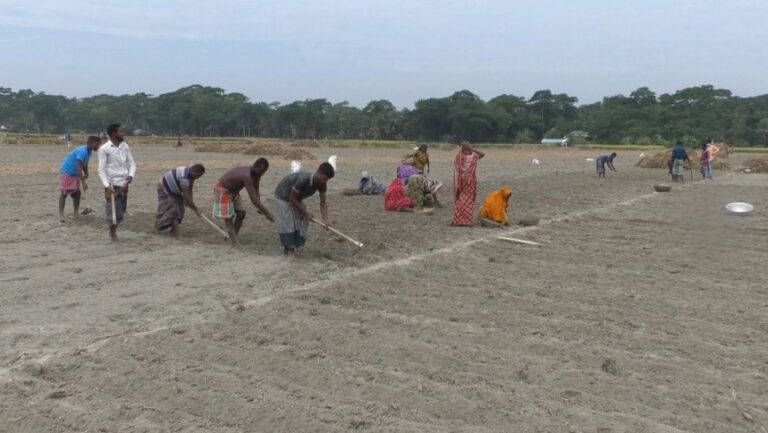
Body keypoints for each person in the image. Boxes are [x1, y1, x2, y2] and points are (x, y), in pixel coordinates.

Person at [274, 162, 334, 254]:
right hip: (283, 196)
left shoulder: (322, 184)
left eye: (327, 179)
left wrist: (325, 220)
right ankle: (289, 249)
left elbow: (323, 203)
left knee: (302, 222)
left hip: (297, 198)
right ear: (319, 172)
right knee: (288, 223)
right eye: (325, 178)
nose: (325, 181)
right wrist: (305, 213)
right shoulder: (303, 180)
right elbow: (292, 198)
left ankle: (297, 245)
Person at [213, 158, 274, 246]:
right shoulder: (247, 175)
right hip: (222, 190)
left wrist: (260, 207)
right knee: (229, 218)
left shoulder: (257, 174)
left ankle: (234, 236)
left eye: (263, 172)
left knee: (241, 213)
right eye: (261, 171)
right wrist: (266, 213)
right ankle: (234, 242)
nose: (262, 174)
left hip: (234, 192)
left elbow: (256, 190)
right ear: (255, 166)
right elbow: (253, 197)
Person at [98, 123, 136, 241]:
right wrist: (106, 185)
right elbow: (101, 169)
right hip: (111, 184)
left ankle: (114, 228)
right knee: (112, 209)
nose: (122, 133)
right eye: (120, 132)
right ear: (114, 134)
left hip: (124, 183)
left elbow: (132, 163)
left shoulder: (125, 146)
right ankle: (112, 233)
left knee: (122, 209)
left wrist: (131, 175)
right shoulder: (104, 149)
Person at [156, 164, 205, 240]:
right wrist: (195, 208)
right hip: (165, 187)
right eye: (198, 175)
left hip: (176, 189)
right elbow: (185, 194)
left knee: (181, 210)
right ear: (194, 172)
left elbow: (189, 191)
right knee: (174, 211)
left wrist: (190, 203)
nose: (198, 178)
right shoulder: (184, 178)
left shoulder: (191, 176)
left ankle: (173, 230)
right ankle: (177, 234)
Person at [58, 135, 101, 222]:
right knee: (64, 193)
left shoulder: (89, 152)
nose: (98, 147)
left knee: (77, 193)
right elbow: (79, 167)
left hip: (75, 174)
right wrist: (83, 182)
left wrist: (87, 173)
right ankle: (61, 214)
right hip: (67, 172)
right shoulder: (82, 151)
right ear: (91, 144)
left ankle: (76, 213)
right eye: (97, 144)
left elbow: (84, 164)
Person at [452, 140, 484, 226]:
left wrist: (469, 148)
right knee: (467, 202)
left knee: (459, 201)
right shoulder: (472, 157)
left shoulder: (459, 157)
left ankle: (458, 221)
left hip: (460, 182)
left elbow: (457, 171)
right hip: (468, 182)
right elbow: (482, 154)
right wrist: (472, 149)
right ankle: (467, 222)